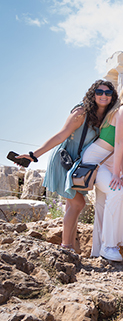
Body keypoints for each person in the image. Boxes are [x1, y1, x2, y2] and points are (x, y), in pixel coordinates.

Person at [16, 80, 117, 251]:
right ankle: (66, 246)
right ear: (93, 94)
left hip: (79, 165)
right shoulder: (81, 112)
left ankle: (72, 247)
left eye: (108, 93)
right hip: (64, 161)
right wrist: (34, 155)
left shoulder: (107, 117)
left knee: (73, 205)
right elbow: (60, 136)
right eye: (99, 92)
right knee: (77, 204)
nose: (103, 96)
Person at [82, 80, 123, 261]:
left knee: (103, 205)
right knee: (116, 193)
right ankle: (109, 246)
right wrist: (116, 175)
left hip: (108, 163)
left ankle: (98, 250)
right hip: (95, 160)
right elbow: (117, 143)